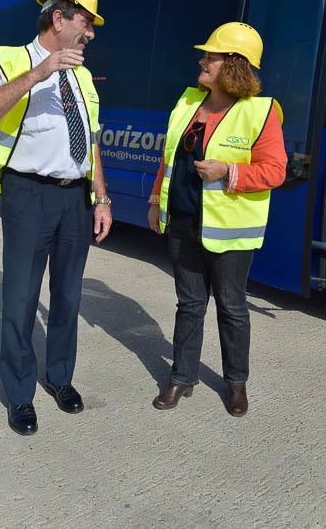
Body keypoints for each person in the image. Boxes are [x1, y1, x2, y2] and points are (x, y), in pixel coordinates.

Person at [0, 0, 112, 435]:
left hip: (76, 200)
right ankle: (20, 394)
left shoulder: (84, 76)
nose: (91, 32)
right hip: (29, 195)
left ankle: (60, 378)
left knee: (67, 297)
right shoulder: (8, 60)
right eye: (86, 21)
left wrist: (101, 196)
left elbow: (92, 141)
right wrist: (41, 72)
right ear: (59, 18)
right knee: (22, 299)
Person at [148, 22, 287, 417]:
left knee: (231, 307)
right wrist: (157, 200)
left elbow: (276, 171)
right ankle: (181, 378)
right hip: (183, 222)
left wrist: (229, 171)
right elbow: (169, 156)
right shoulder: (188, 101)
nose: (202, 61)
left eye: (211, 56)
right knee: (189, 304)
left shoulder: (260, 112)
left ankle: (236, 384)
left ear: (234, 65)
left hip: (229, 233)